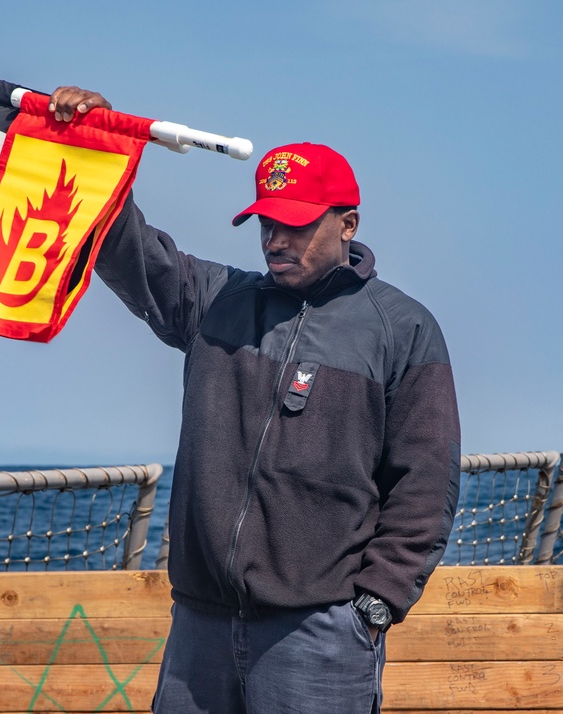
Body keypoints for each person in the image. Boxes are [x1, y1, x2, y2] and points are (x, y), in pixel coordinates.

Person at [49, 87, 461, 714]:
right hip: (200, 626)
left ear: (347, 225)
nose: (276, 239)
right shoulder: (217, 300)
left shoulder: (401, 328)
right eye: (268, 222)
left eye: (296, 224)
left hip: (321, 634)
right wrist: (93, 144)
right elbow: (127, 250)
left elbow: (425, 481)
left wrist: (376, 603)